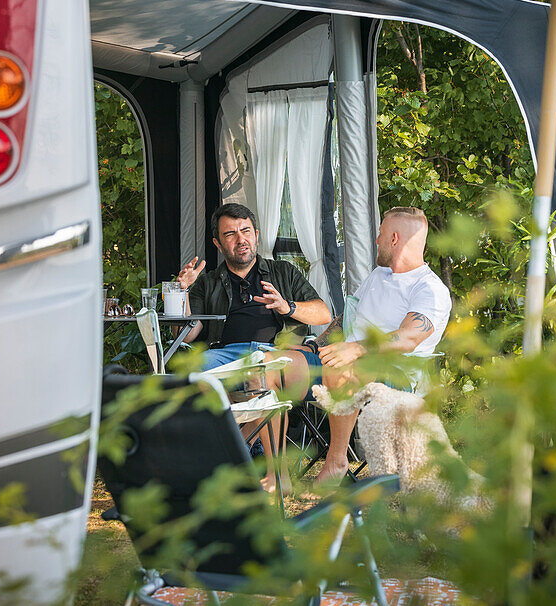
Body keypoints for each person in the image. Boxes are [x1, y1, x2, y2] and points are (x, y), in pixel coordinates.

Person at [175, 202, 332, 489]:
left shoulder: (283, 272)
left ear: (257, 234)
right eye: (230, 234)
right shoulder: (207, 283)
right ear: (218, 243)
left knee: (264, 370)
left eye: (245, 231)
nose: (240, 239)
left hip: (276, 353)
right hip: (226, 355)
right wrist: (182, 291)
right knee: (192, 374)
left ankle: (242, 454)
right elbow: (187, 334)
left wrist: (287, 307)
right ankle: (213, 459)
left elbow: (323, 313)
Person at [312, 206, 452, 482]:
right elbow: (346, 318)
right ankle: (267, 471)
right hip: (346, 359)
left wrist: (356, 349)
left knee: (345, 371)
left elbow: (410, 337)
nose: (377, 240)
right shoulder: (378, 275)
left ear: (395, 239)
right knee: (274, 367)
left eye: (380, 234)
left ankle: (337, 462)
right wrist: (313, 346)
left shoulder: (429, 288)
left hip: (396, 374)